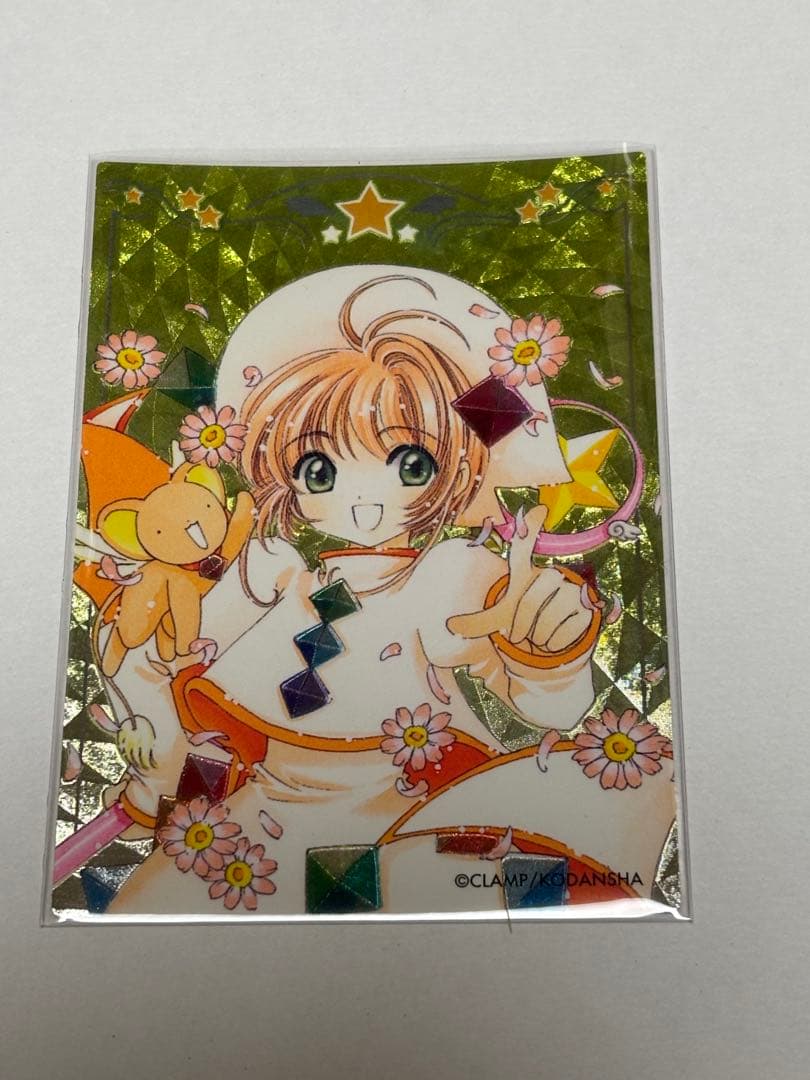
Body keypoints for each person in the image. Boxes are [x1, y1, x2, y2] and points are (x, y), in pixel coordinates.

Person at [102, 267, 674, 916]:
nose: (364, 500)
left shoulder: (451, 575)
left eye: (411, 463)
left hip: (409, 808)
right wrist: (146, 694)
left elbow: (552, 708)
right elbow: (168, 653)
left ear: (457, 467)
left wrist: (551, 646)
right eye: (318, 468)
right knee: (146, 913)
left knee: (410, 910)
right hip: (267, 809)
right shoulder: (276, 571)